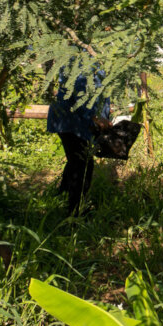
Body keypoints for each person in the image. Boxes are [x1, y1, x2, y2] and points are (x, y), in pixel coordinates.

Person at [47, 69, 111, 216]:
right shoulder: (81, 58)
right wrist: (95, 117)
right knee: (82, 164)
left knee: (76, 160)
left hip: (79, 120)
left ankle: (62, 195)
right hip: (70, 120)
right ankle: (76, 213)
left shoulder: (99, 58)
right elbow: (79, 90)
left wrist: (103, 115)